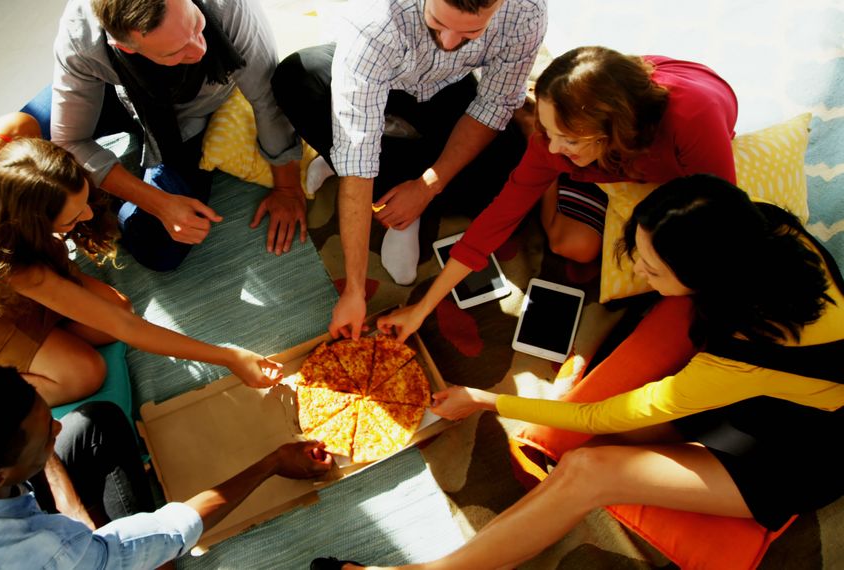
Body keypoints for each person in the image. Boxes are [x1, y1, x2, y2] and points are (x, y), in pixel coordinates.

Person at [316, 175, 844, 569]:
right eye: (638, 251)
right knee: (583, 462)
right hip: (767, 390)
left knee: (588, 473)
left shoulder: (744, 355)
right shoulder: (768, 227)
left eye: (652, 269)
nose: (636, 270)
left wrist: (487, 400)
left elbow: (603, 415)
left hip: (798, 451)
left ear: (709, 277)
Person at [0, 0, 307, 308]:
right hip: (111, 93)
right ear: (125, 44)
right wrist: (158, 201)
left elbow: (266, 96)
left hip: (186, 115)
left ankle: (84, 202)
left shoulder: (224, 10)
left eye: (195, 26)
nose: (198, 47)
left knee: (157, 249)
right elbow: (70, 140)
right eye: (174, 50)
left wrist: (287, 187)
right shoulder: (82, 37)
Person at [0, 112, 283, 406]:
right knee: (83, 374)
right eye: (73, 219)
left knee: (111, 309)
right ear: (31, 228)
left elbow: (114, 316)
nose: (89, 217)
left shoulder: (15, 135)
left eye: (82, 203)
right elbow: (125, 327)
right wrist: (227, 356)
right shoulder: (7, 257)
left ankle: (2, 344)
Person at [377, 46, 738, 342]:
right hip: (607, 146)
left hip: (657, 146)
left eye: (565, 139)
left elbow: (720, 226)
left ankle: (530, 112)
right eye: (547, 131)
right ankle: (530, 116)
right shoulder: (554, 145)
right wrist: (421, 308)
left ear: (610, 134)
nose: (550, 150)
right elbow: (498, 218)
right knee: (570, 238)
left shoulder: (694, 118)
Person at [0, 366, 333, 568]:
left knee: (97, 421)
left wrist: (65, 496)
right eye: (42, 433)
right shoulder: (39, 560)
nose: (56, 427)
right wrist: (273, 462)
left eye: (44, 414)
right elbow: (172, 531)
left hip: (20, 531)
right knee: (149, 556)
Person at [272, 0, 545, 336]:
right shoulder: (374, 22)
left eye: (472, 32)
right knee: (295, 78)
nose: (447, 43)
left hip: (448, 87)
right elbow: (358, 149)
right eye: (436, 24)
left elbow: (494, 105)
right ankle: (354, 169)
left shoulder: (526, 12)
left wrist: (428, 186)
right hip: (378, 74)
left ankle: (391, 177)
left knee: (503, 176)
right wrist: (354, 291)